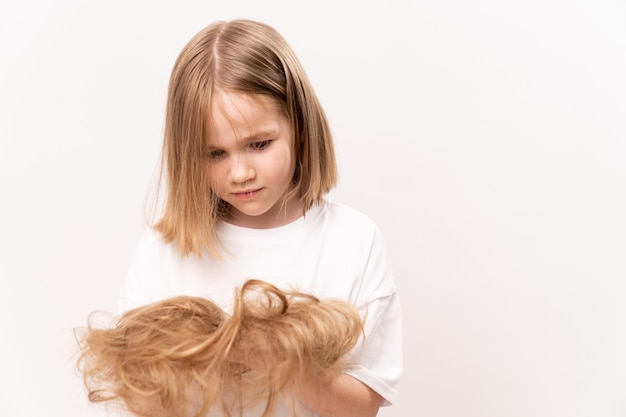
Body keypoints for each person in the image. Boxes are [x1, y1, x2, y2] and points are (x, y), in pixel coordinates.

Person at [119, 18, 402, 417]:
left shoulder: (352, 241)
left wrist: (270, 357)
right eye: (215, 153)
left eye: (258, 144)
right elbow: (139, 400)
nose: (239, 173)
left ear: (299, 128)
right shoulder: (164, 250)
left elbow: (362, 407)